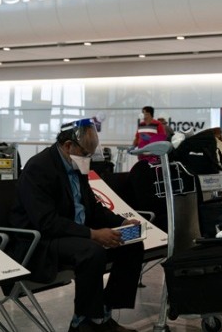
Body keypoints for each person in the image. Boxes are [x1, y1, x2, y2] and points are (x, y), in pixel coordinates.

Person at [12, 118, 143, 332]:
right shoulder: (39, 168)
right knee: (91, 252)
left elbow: (93, 208)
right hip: (44, 240)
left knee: (132, 244)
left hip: (73, 232)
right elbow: (46, 222)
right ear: (68, 146)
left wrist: (121, 222)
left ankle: (104, 313)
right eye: (85, 153)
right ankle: (82, 322)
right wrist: (92, 234)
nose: (87, 159)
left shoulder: (75, 165)